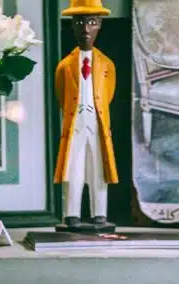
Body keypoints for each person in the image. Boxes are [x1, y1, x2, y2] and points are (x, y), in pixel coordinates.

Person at [54, 0, 118, 231]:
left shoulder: (107, 65)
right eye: (80, 22)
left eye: (91, 22)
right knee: (74, 170)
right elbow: (61, 95)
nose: (85, 29)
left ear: (99, 25)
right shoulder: (64, 66)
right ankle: (71, 214)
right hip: (75, 124)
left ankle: (99, 213)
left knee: (99, 171)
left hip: (97, 124)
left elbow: (108, 93)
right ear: (72, 25)